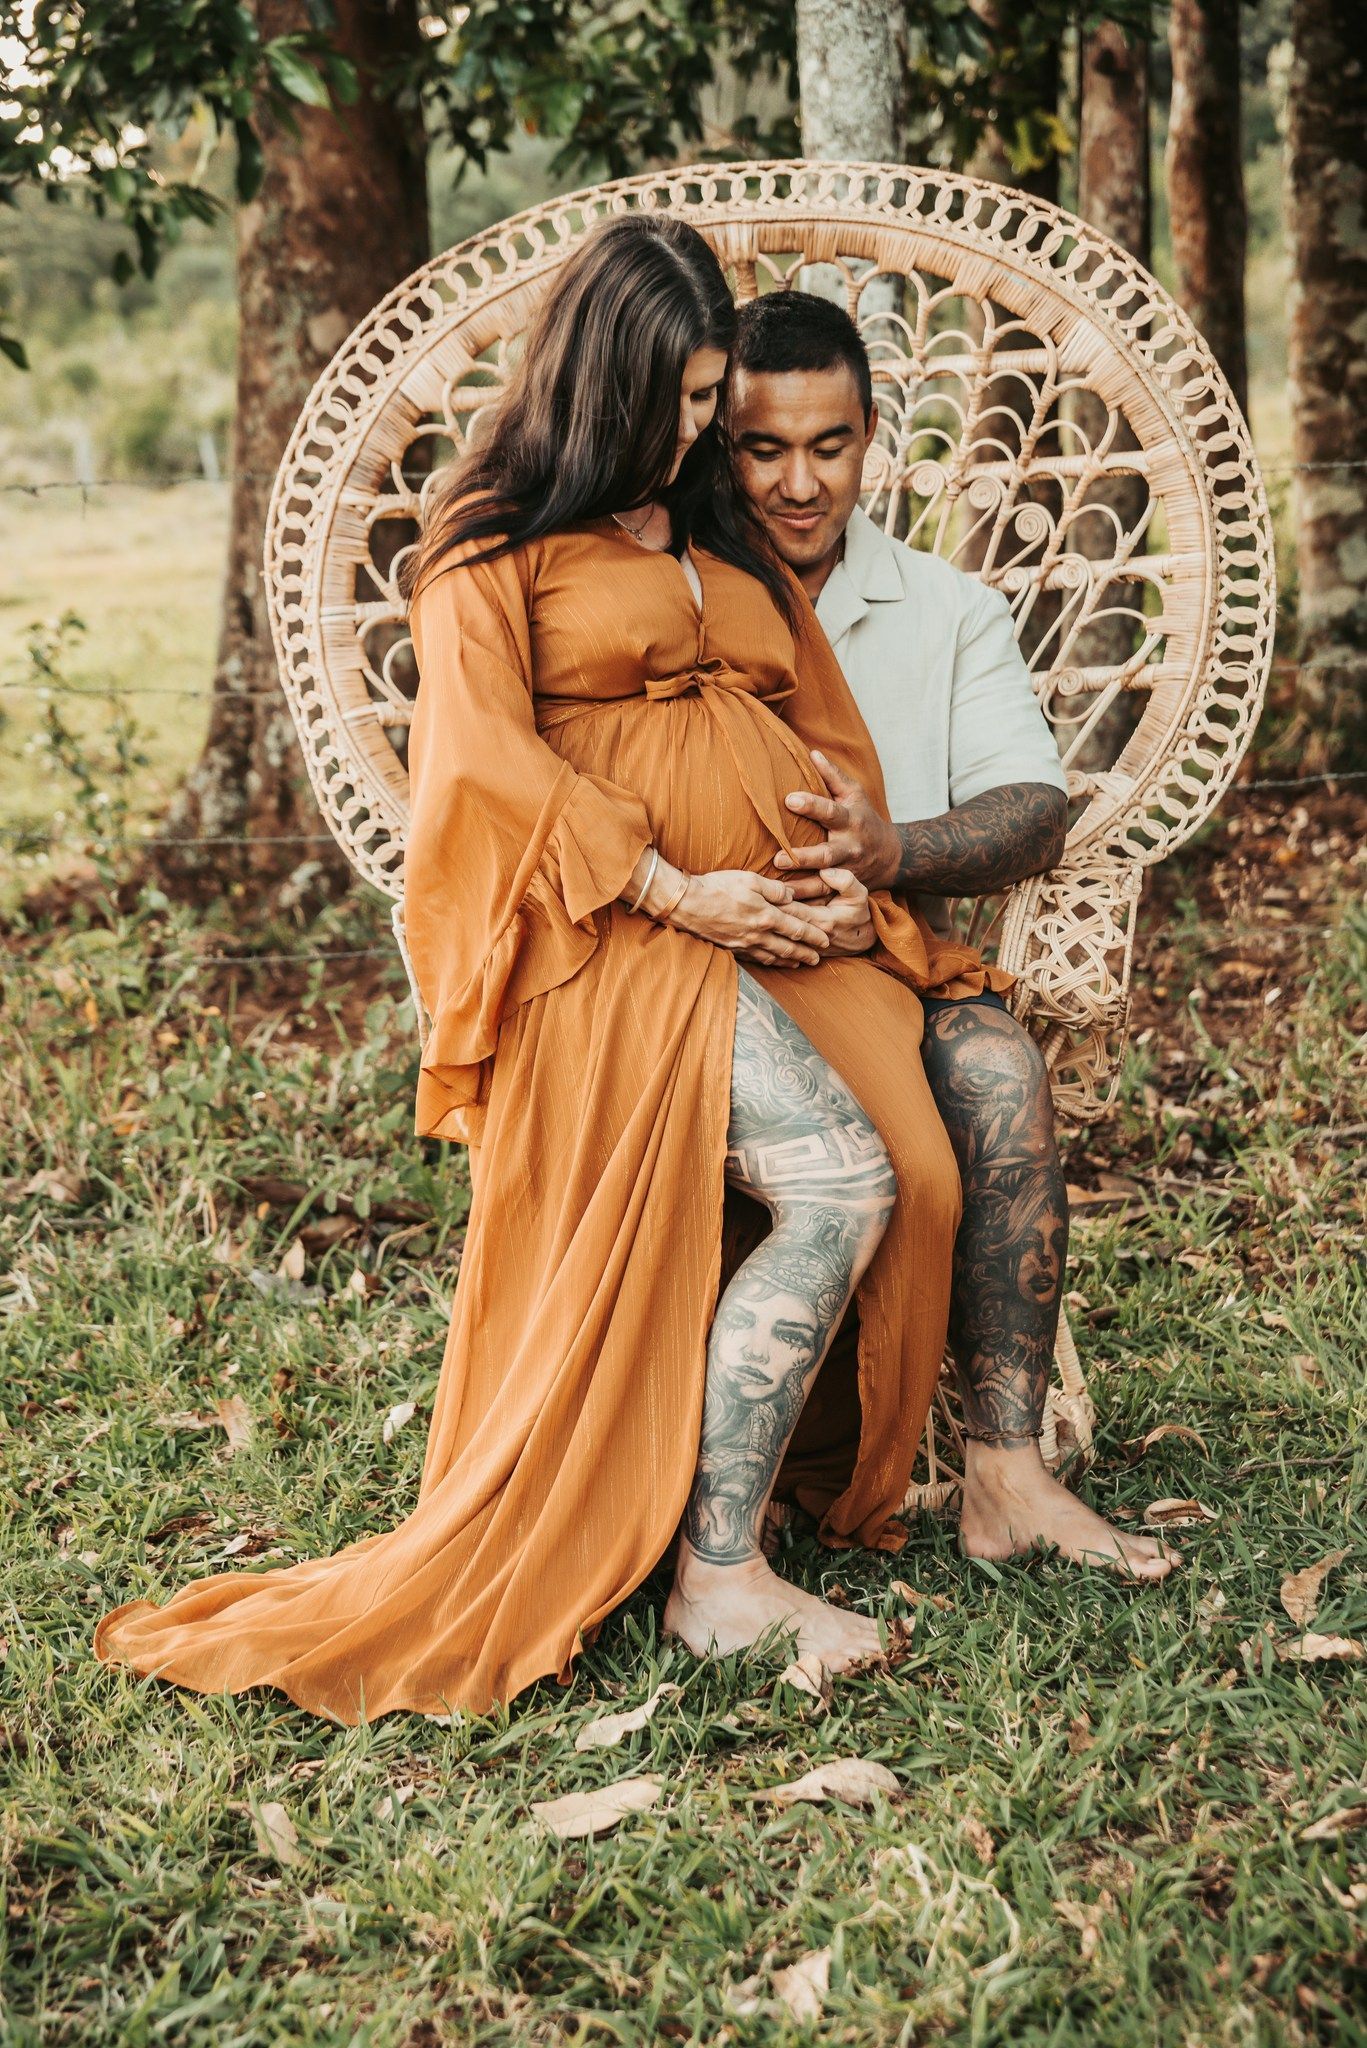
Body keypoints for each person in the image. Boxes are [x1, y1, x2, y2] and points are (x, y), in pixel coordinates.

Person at [95, 214, 1011, 1726]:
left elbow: (814, 708)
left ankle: (809, 1486)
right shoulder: (488, 541)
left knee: (922, 1161)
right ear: (596, 382)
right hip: (611, 937)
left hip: (771, 917)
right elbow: (482, 770)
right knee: (843, 1178)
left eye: (713, 398)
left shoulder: (712, 519)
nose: (700, 431)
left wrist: (839, 866)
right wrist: (686, 891)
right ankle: (717, 1574)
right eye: (678, 401)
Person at [728, 290, 1177, 1581]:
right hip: (717, 969)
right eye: (764, 448)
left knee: (999, 1071)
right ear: (721, 447)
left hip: (896, 958)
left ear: (874, 437)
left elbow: (1032, 805)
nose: (800, 482)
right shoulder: (681, 598)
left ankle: (1005, 1474)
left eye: (830, 444)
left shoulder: (947, 609)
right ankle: (717, 1466)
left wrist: (893, 852)